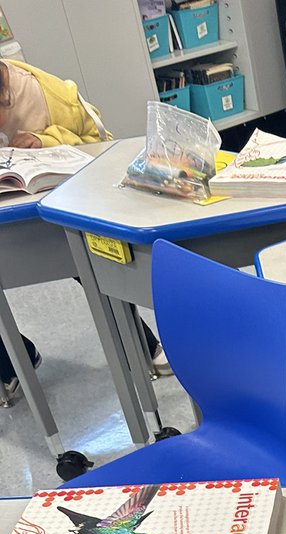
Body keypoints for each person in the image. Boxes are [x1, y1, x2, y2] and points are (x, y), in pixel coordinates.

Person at [0, 59, 171, 383]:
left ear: (5, 95)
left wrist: (45, 140)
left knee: (91, 264)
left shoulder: (46, 95)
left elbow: (98, 144)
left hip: (59, 206)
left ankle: (143, 344)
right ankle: (12, 362)